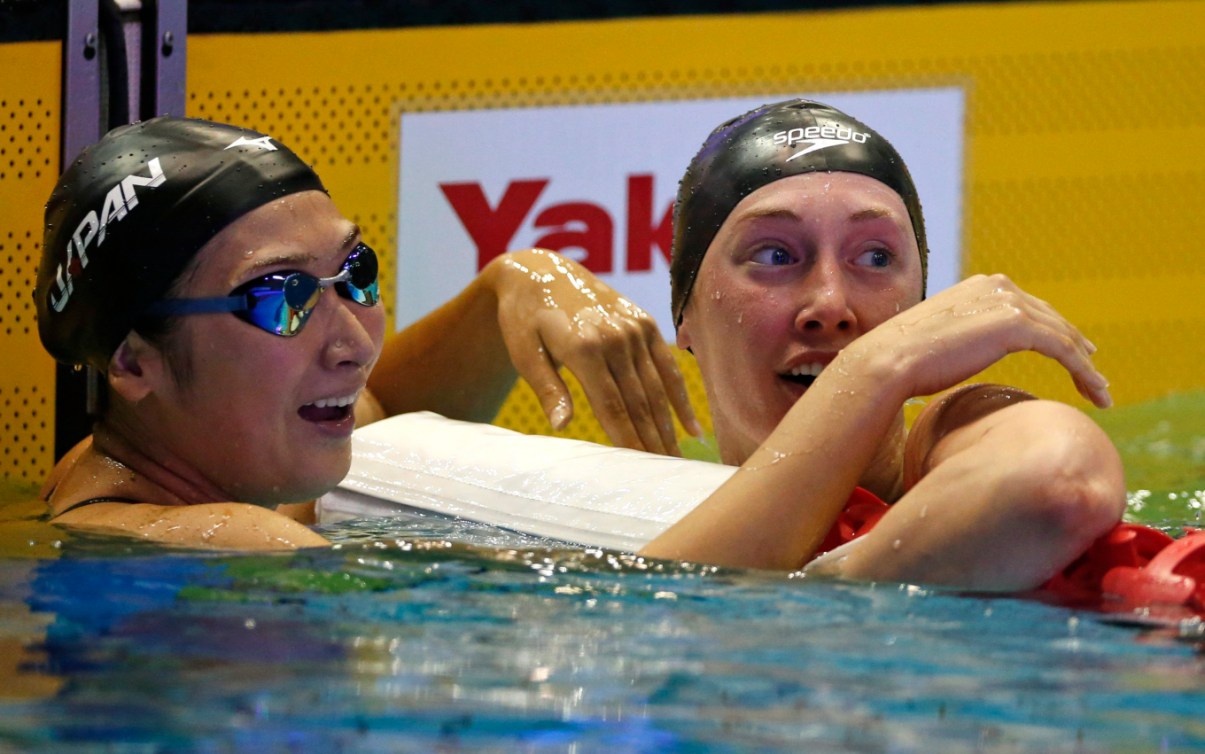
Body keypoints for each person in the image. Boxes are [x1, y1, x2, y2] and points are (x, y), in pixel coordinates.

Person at [35, 116, 700, 550]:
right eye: (281, 299)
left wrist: (513, 280)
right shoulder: (235, 544)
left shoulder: (196, 464)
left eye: (355, 272)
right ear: (131, 360)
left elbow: (375, 411)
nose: (352, 343)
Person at [637, 99, 1128, 591]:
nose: (830, 304)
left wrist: (873, 368)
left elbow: (1062, 482)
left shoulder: (954, 435)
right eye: (774, 253)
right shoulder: (626, 504)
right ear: (686, 314)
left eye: (875, 256)